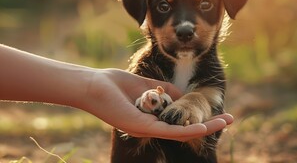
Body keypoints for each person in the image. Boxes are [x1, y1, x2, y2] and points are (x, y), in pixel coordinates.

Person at [0, 44, 233, 142]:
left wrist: (94, 85)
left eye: (205, 4)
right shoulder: (147, 67)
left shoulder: (212, 73)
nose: (185, 25)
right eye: (163, 6)